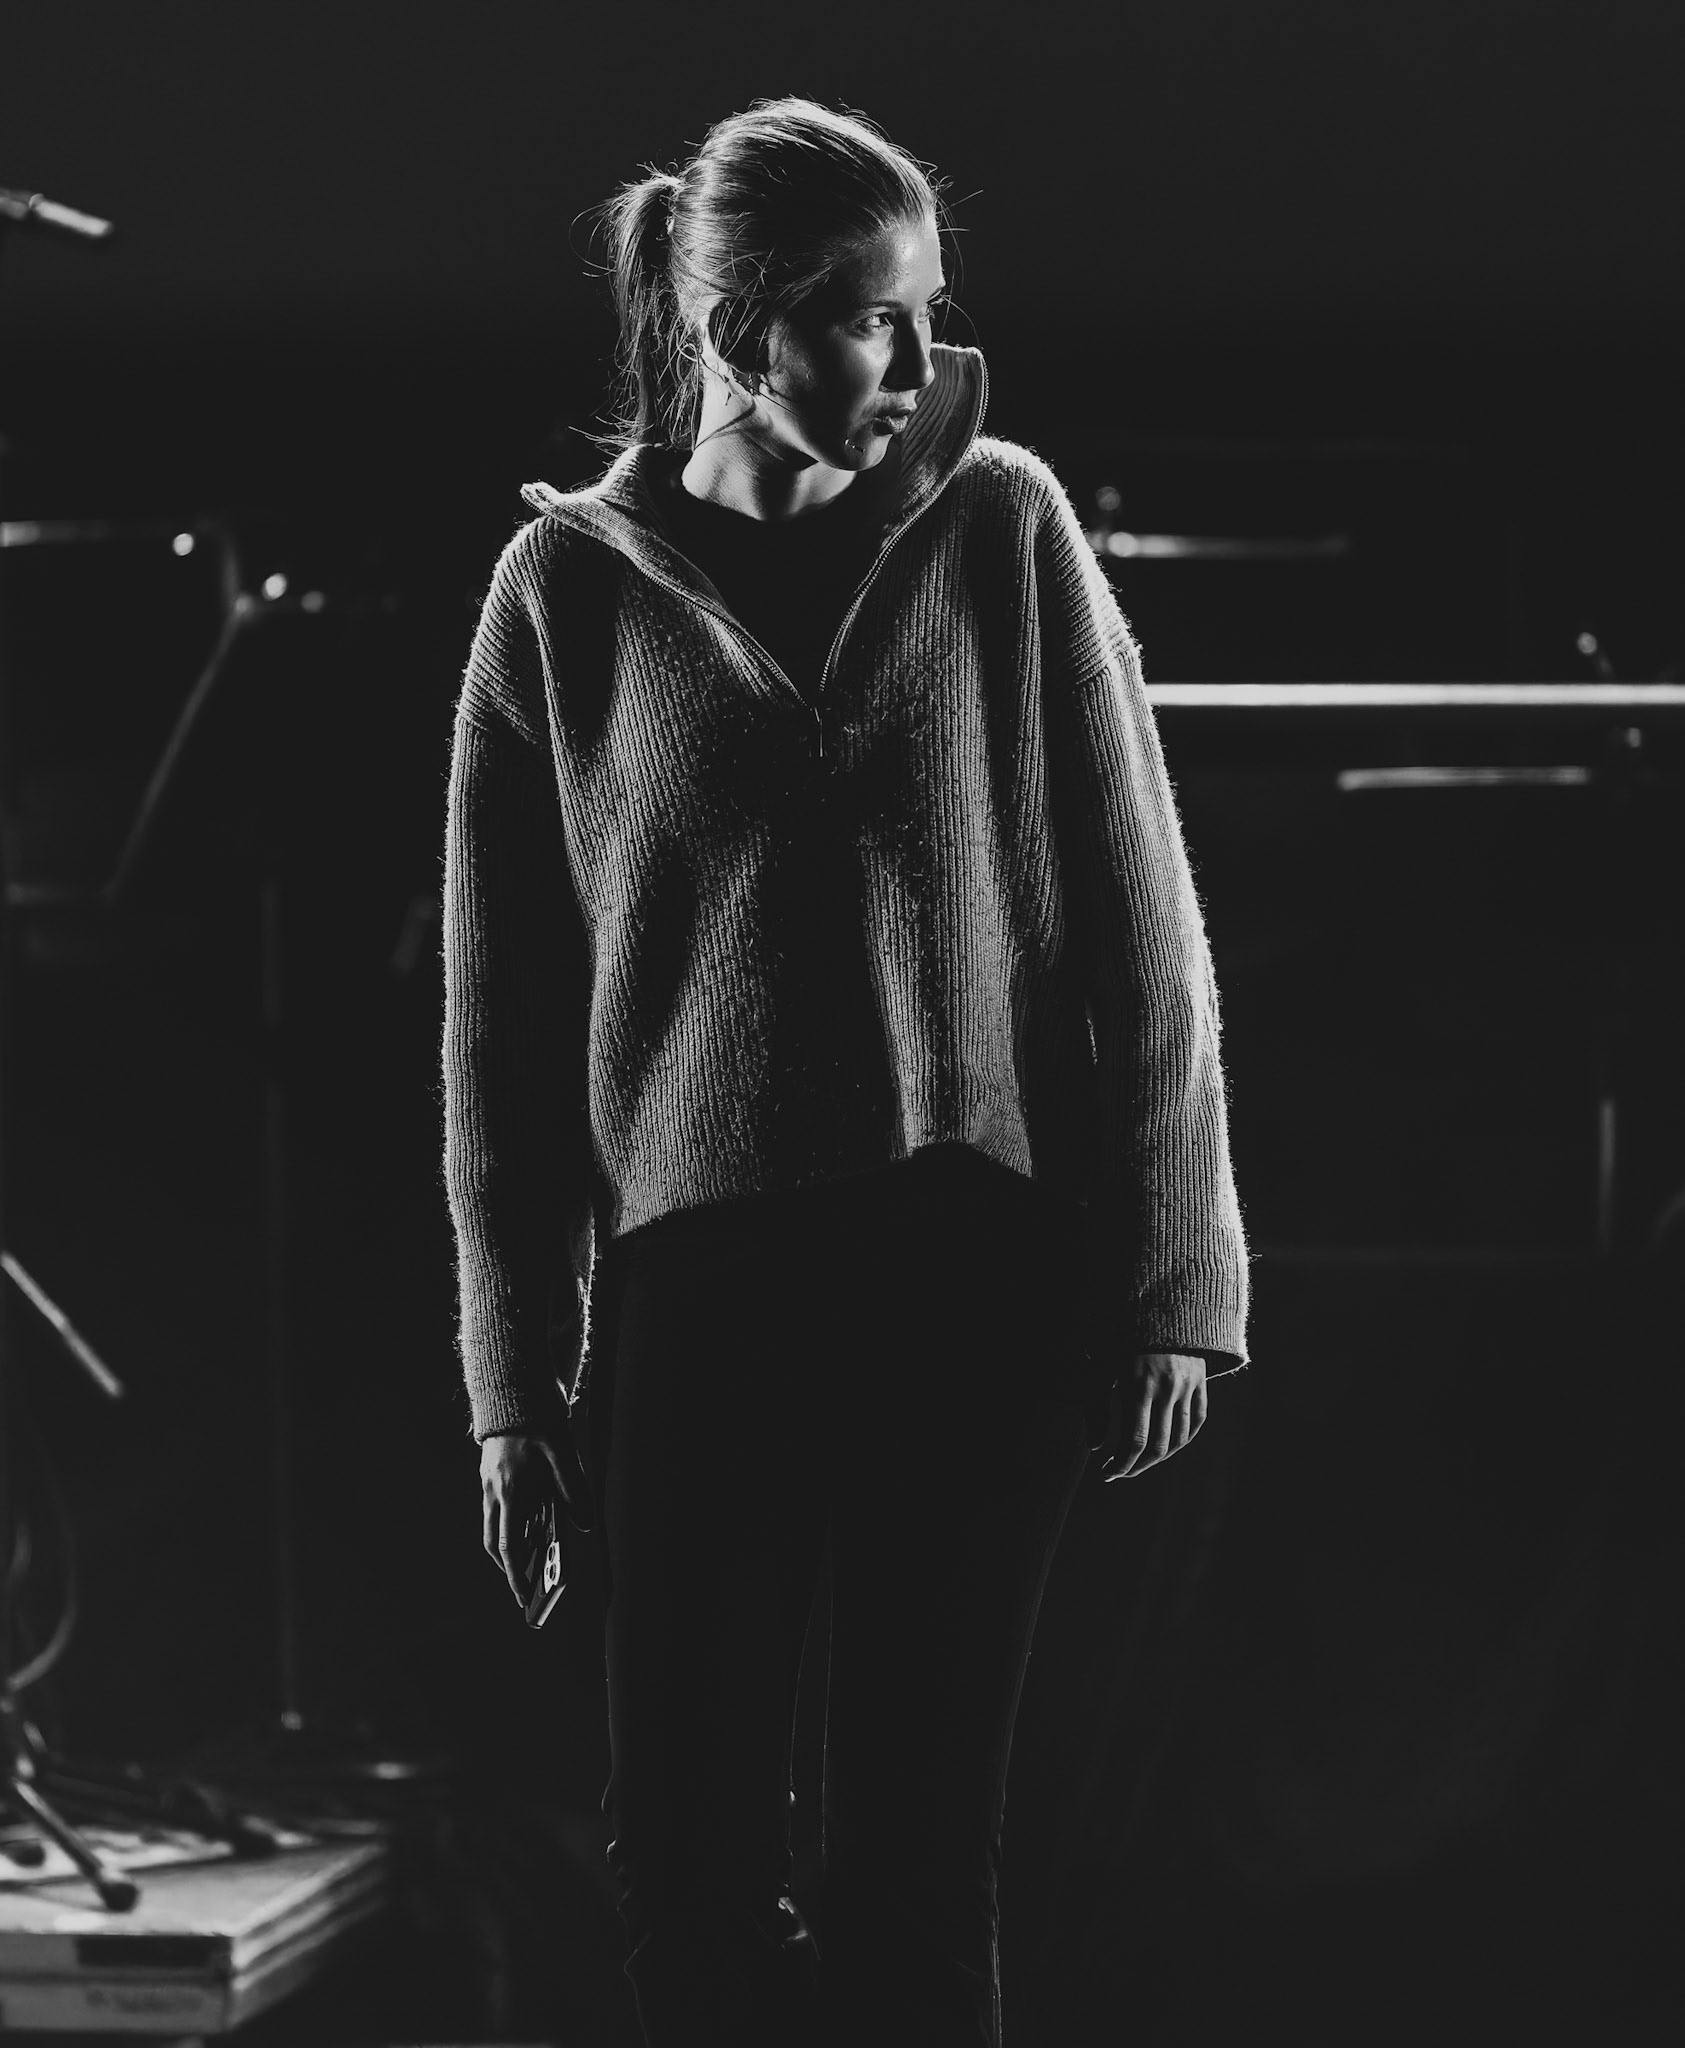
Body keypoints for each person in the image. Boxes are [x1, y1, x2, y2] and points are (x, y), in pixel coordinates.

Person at [443, 96, 1248, 2048]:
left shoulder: (1002, 531)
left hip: (969, 1271)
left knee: (914, 1861)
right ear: (741, 329)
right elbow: (500, 1032)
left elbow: (1146, 931)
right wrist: (513, 1390)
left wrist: (1176, 1282)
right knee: (687, 1860)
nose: (913, 363)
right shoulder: (563, 594)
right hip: (700, 1291)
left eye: (924, 314)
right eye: (869, 320)